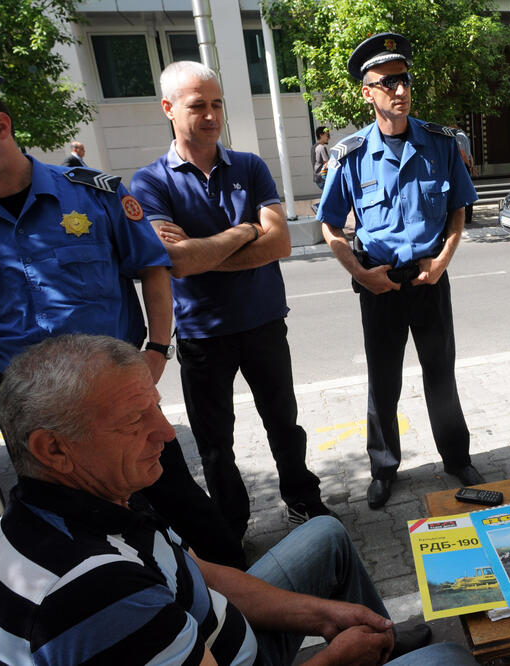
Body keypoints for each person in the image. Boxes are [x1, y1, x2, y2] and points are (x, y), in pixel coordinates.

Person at [0, 334, 472, 666]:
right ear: (54, 449)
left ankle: (378, 637)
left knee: (326, 534)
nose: (164, 433)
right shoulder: (93, 591)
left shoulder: (82, 500)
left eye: (157, 406)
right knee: (450, 659)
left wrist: (326, 614)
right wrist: (337, 658)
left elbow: (197, 571)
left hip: (216, 635)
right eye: (135, 421)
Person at [0, 72, 246, 568]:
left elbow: (153, 267)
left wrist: (156, 349)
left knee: (178, 502)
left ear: (0, 125)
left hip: (114, 395)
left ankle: (246, 601)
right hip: (29, 411)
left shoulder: (90, 194)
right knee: (75, 527)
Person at [130, 61, 332, 540]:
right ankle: (232, 526)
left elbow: (280, 244)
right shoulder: (150, 182)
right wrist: (245, 230)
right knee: (215, 442)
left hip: (264, 322)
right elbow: (174, 262)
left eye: (217, 104)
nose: (211, 115)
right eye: (198, 105)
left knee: (285, 423)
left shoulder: (250, 166)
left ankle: (303, 501)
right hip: (202, 332)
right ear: (168, 109)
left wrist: (199, 249)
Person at [316, 32, 483, 509]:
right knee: (383, 380)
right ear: (366, 92)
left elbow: (457, 209)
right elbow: (329, 225)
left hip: (429, 279)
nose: (400, 89)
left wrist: (444, 259)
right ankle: (383, 467)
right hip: (378, 283)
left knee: (440, 374)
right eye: (387, 82)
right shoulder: (349, 156)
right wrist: (360, 273)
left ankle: (456, 458)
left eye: (404, 79)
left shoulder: (441, 143)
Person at [452, 126, 478, 224]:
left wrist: (469, 165)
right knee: (467, 190)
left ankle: (466, 218)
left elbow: (462, 153)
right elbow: (469, 153)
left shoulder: (458, 135)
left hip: (463, 166)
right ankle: (468, 217)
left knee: (463, 191)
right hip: (466, 165)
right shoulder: (464, 135)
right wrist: (472, 165)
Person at [312, 125, 331, 189]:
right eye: (327, 135)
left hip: (317, 178)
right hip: (323, 179)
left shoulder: (314, 147)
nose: (329, 138)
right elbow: (327, 163)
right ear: (321, 135)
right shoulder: (321, 148)